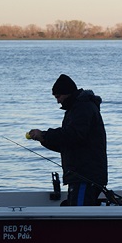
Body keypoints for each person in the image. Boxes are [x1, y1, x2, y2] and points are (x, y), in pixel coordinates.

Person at [27, 74, 108, 206]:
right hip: (79, 176)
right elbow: (67, 144)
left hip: (86, 176)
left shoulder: (83, 108)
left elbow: (73, 135)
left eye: (58, 97)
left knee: (79, 215)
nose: (58, 101)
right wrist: (43, 139)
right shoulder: (75, 109)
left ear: (67, 93)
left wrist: (44, 135)